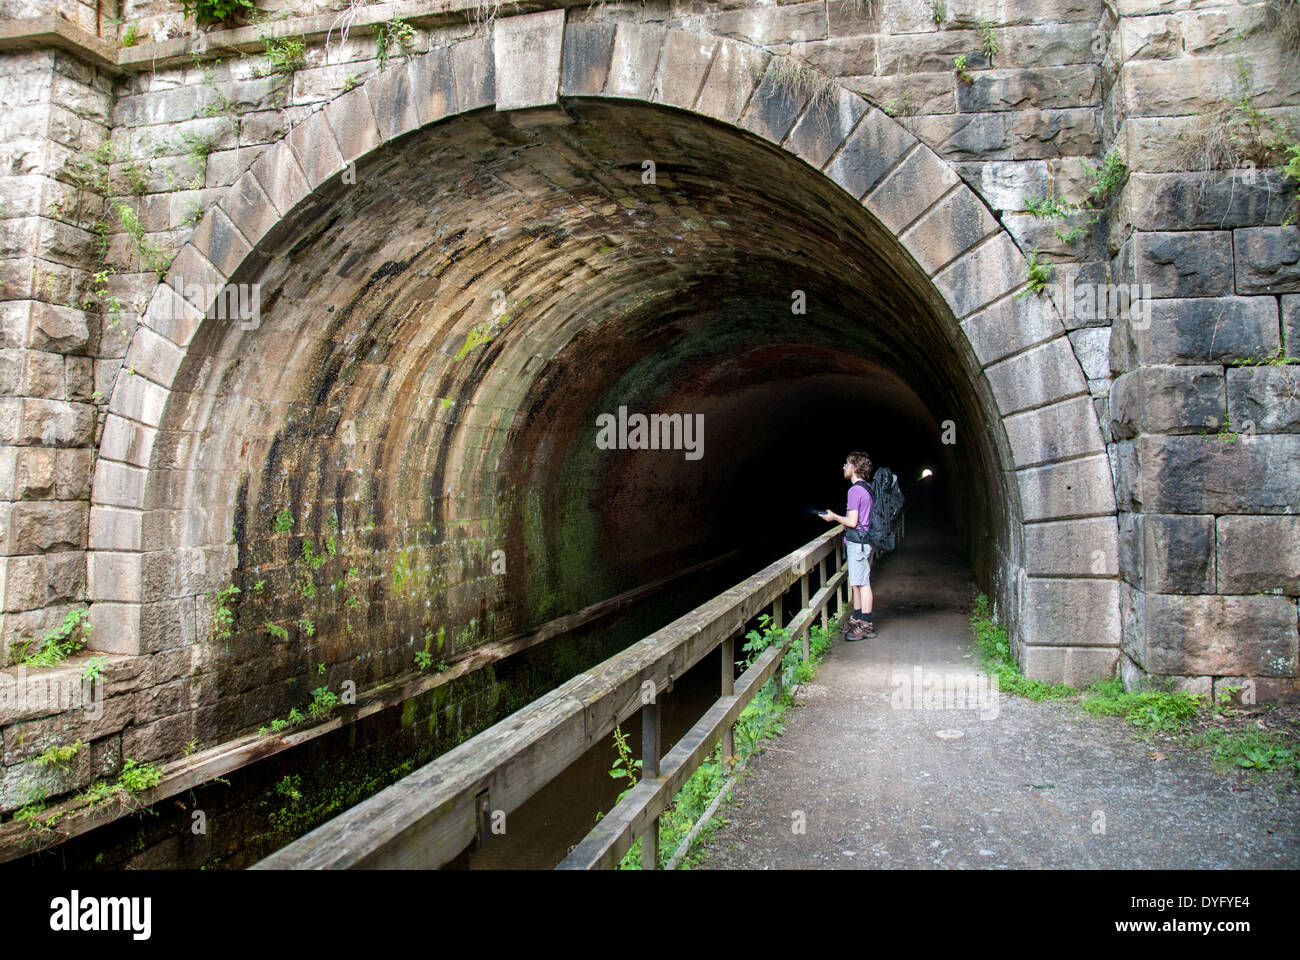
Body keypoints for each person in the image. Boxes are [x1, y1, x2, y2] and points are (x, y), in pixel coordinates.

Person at [819, 452, 875, 641]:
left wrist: (834, 517)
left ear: (855, 468)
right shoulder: (866, 488)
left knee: (863, 584)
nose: (844, 467)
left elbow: (852, 521)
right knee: (857, 583)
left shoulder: (854, 491)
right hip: (862, 541)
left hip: (858, 543)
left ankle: (866, 625)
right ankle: (856, 619)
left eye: (846, 464)